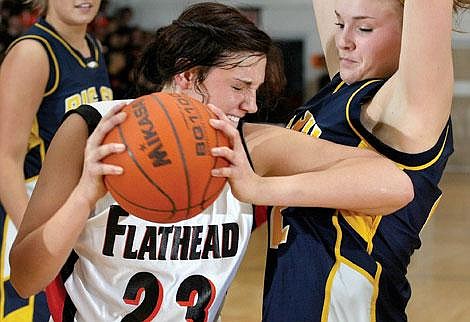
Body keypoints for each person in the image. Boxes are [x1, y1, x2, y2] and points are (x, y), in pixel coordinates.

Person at [9, 2, 412, 321]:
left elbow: (395, 184)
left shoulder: (248, 146)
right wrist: (83, 197)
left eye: (255, 90)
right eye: (239, 86)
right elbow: (27, 279)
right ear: (187, 75)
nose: (250, 104)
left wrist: (260, 188)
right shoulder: (92, 130)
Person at [260, 0, 470, 321]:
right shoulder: (343, 90)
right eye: (340, 23)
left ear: (409, 34)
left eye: (365, 28)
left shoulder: (405, 114)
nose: (343, 39)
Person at [0, 0, 112, 320]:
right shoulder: (32, 53)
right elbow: (5, 161)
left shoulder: (93, 47)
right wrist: (33, 243)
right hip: (29, 210)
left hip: (71, 214)